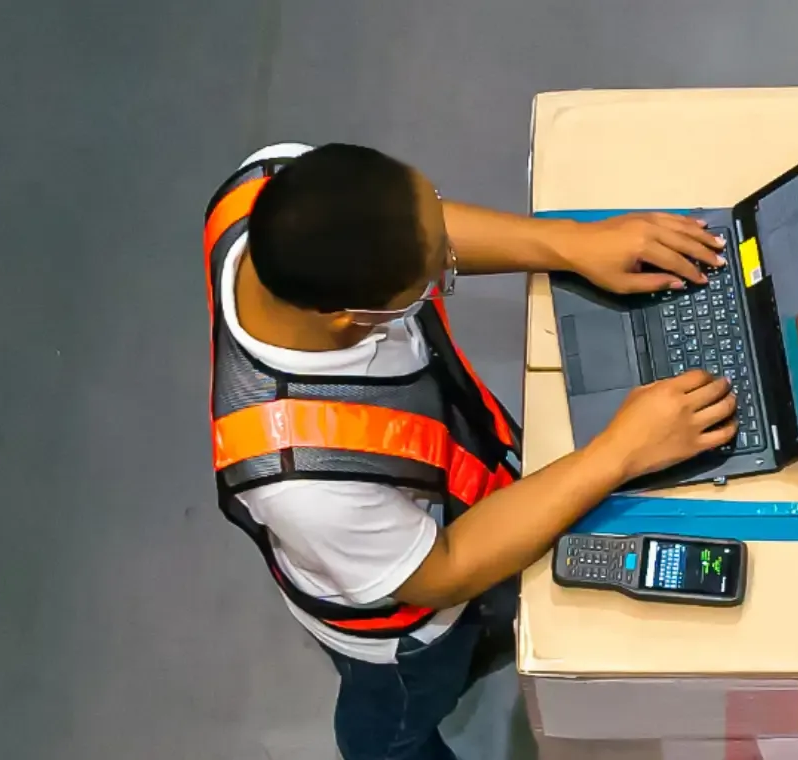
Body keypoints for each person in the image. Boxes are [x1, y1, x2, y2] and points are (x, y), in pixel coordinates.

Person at [199, 142, 733, 759]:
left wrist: (568, 245)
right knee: (391, 726)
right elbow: (443, 570)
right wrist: (620, 451)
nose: (446, 264)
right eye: (434, 276)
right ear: (350, 318)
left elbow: (424, 225)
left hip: (449, 497)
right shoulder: (305, 482)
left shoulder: (273, 184)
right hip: (411, 628)